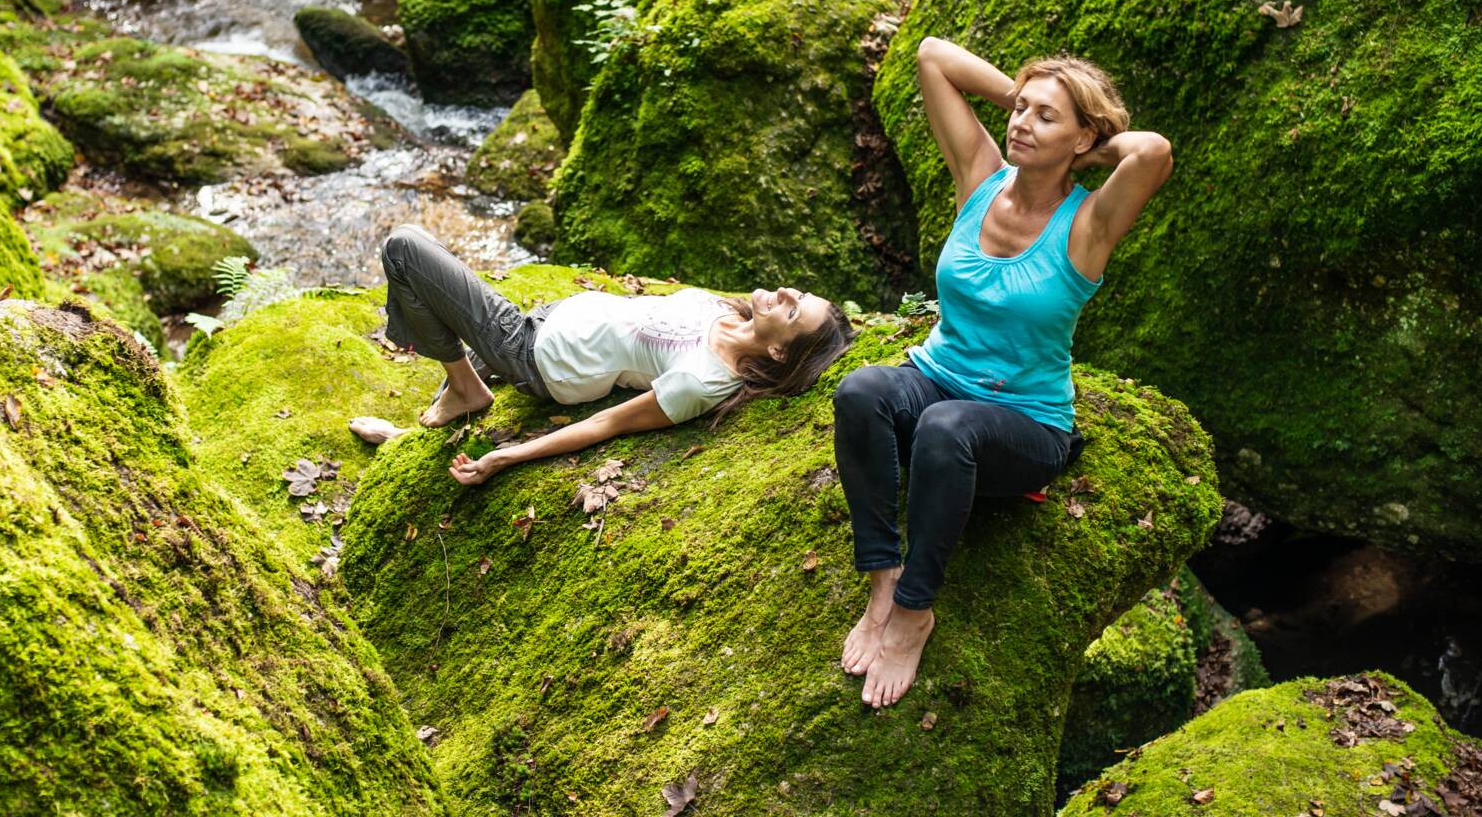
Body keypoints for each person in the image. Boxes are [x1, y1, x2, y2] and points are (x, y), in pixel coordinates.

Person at [833, 39, 1173, 709]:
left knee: (944, 428)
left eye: (1044, 116)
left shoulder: (1090, 224)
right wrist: (1033, 102)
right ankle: (882, 576)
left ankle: (913, 611)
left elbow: (1153, 152)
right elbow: (933, 56)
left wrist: (1086, 142)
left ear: (1084, 137)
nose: (1020, 121)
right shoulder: (979, 177)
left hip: (1025, 425)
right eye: (1019, 108)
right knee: (862, 391)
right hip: (937, 376)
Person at [347, 225, 854, 484]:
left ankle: (465, 391)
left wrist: (506, 457)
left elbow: (606, 425)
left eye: (793, 311)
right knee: (432, 297)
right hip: (550, 318)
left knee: (404, 248)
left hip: (533, 351)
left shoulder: (702, 381)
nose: (786, 291)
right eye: (799, 294)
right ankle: (417, 428)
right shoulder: (729, 309)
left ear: (779, 354)